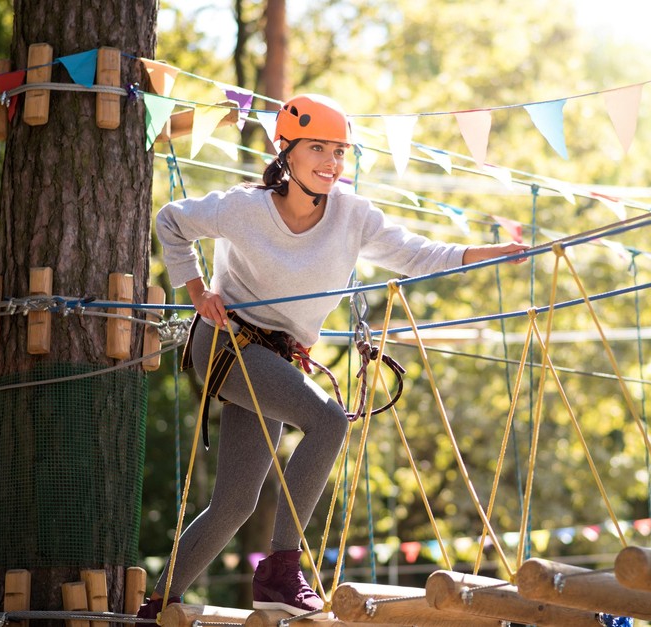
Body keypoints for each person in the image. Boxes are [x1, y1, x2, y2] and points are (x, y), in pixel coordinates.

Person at [137, 93, 528, 620]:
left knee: (235, 503)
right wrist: (197, 291)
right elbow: (171, 221)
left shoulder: (353, 215)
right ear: (287, 152)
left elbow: (415, 253)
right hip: (226, 346)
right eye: (317, 148)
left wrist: (485, 254)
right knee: (327, 420)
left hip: (276, 360)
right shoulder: (246, 209)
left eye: (340, 151)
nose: (331, 162)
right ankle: (280, 569)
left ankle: (158, 601)